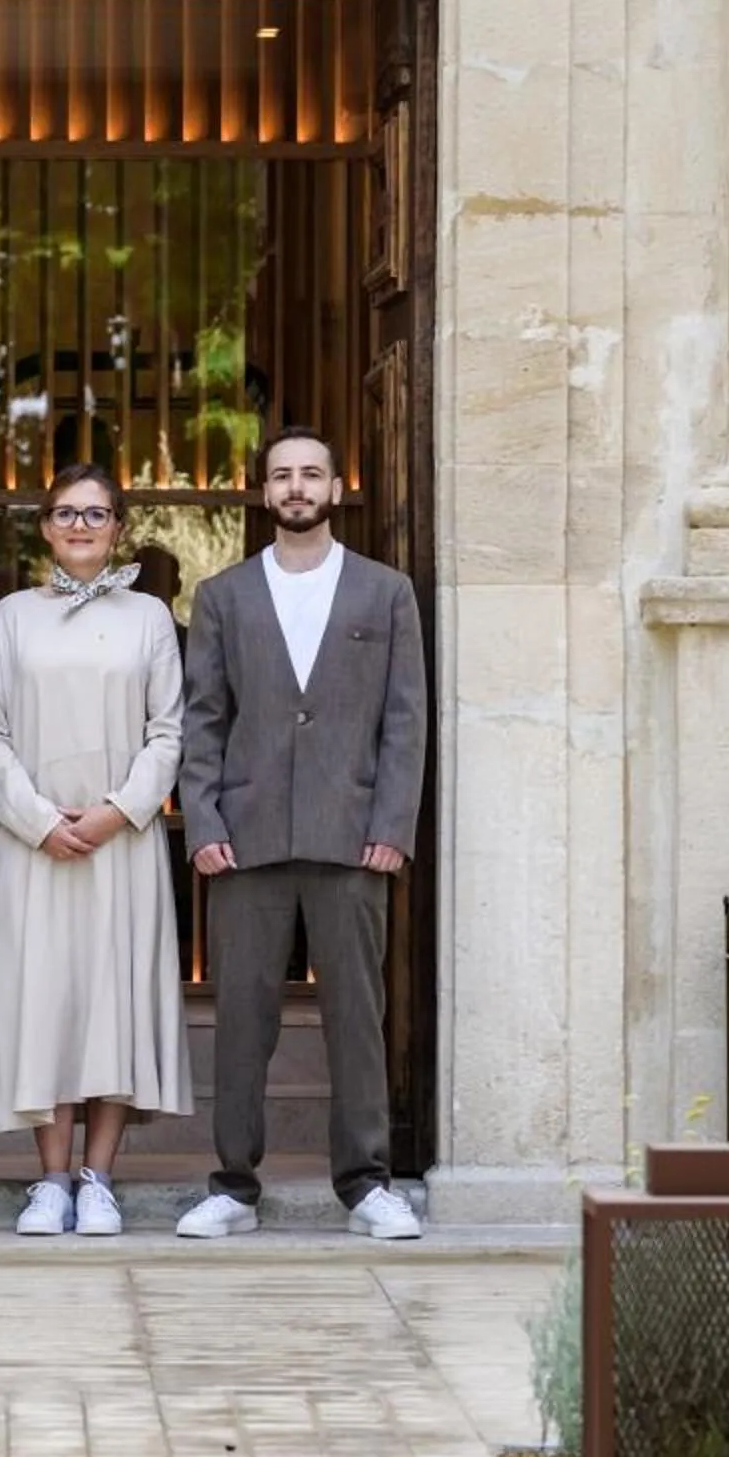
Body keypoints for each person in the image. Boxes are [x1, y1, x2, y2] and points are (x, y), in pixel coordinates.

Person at [177, 426, 427, 1242]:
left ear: (335, 486)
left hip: (353, 836)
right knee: (243, 1017)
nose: (295, 487)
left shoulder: (385, 593)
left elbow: (405, 720)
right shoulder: (222, 596)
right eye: (281, 475)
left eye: (310, 473)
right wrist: (203, 822)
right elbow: (203, 720)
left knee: (357, 1017)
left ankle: (367, 1185)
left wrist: (393, 823)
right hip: (245, 839)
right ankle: (232, 1187)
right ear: (264, 491)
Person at [0, 465, 187, 1235]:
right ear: (45, 528)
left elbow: (169, 731)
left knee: (111, 997)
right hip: (34, 843)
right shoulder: (11, 617)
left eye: (97, 514)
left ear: (118, 526)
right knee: (44, 998)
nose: (81, 526)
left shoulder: (151, 616)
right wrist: (36, 818)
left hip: (120, 841)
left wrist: (118, 812)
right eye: (66, 514)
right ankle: (50, 1177)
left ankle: (99, 1178)